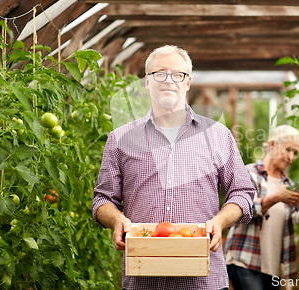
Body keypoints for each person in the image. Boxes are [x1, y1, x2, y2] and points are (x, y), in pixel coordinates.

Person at [92, 45, 255, 290]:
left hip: (204, 281)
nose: (168, 80)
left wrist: (220, 221)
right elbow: (103, 199)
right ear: (147, 82)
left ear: (187, 82)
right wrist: (116, 220)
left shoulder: (218, 135)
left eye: (177, 74)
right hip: (142, 280)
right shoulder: (120, 138)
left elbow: (243, 192)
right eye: (159, 74)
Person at [224, 125, 299, 290]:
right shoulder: (249, 173)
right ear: (273, 145)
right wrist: (276, 197)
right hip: (245, 259)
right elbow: (241, 210)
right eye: (288, 149)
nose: (291, 157)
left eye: (295, 153)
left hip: (273, 266)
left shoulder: (288, 184)